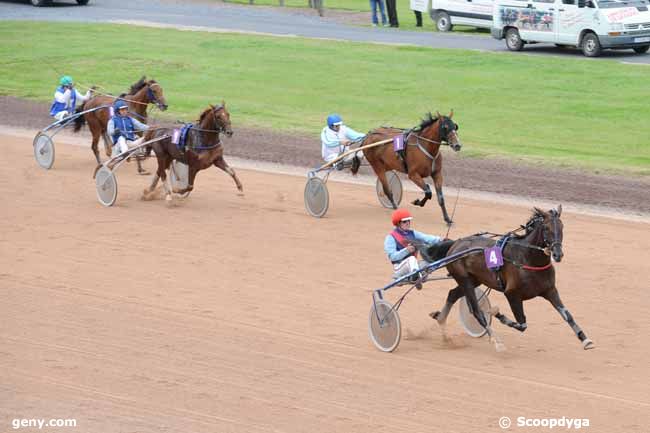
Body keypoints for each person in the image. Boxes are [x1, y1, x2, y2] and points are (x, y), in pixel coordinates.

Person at [384, 209, 442, 282]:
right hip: (400, 268)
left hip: (413, 267)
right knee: (411, 259)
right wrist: (406, 250)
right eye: (404, 221)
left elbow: (427, 238)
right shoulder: (390, 238)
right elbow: (393, 257)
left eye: (409, 221)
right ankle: (416, 276)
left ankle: (419, 274)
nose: (408, 223)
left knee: (430, 259)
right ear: (398, 223)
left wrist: (441, 240)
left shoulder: (413, 233)